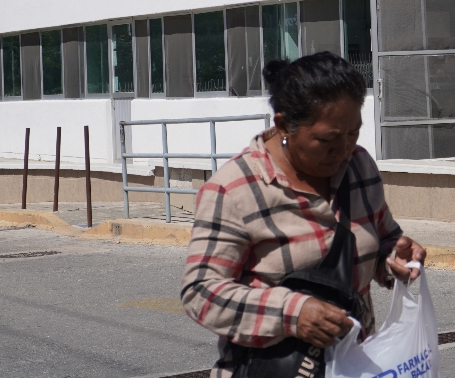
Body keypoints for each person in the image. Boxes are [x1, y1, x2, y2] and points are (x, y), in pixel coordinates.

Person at [181, 52, 426, 378]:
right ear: (284, 125)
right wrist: (291, 313)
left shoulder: (359, 167)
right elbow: (201, 291)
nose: (344, 150)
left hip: (354, 366)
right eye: (328, 139)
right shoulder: (234, 190)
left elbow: (382, 240)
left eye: (353, 133)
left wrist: (396, 258)